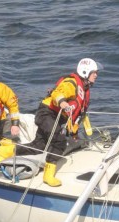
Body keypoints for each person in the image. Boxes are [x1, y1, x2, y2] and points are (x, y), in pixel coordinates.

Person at [14, 58, 103, 187]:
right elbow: (58, 93)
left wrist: (75, 131)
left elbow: (79, 113)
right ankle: (48, 175)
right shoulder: (71, 83)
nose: (96, 75)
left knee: (39, 146)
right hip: (46, 113)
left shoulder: (84, 89)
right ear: (85, 72)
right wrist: (62, 102)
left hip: (55, 117)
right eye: (94, 72)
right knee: (59, 140)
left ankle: (9, 150)